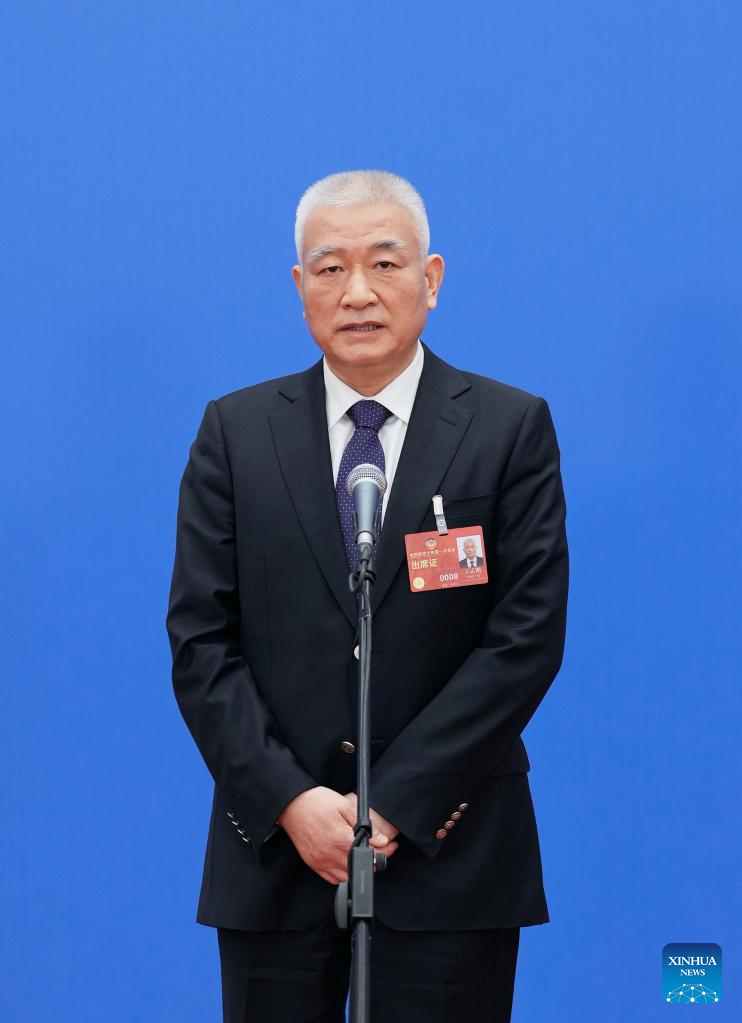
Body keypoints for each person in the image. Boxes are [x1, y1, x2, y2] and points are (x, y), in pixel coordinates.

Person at [166, 169, 569, 1022]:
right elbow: (201, 642)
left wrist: (395, 803)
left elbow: (524, 640)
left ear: (431, 278)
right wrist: (291, 802)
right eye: (330, 268)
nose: (357, 292)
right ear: (299, 286)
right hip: (276, 858)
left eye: (385, 264)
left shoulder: (508, 428)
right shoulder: (235, 434)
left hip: (451, 851)